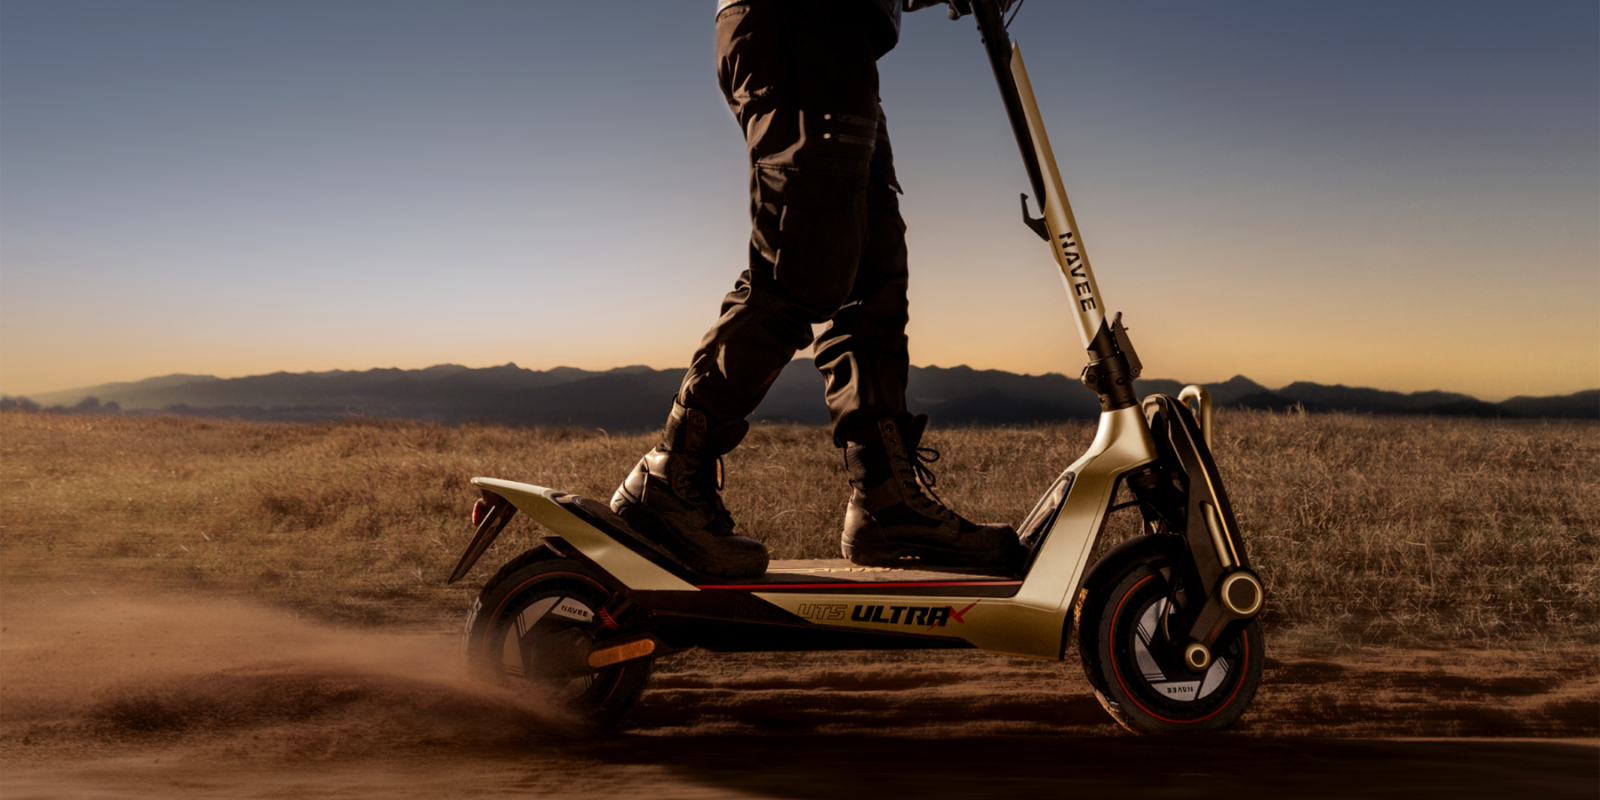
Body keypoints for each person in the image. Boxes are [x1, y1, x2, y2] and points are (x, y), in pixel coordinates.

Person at [611, 0, 1022, 578]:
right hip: (801, 20)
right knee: (803, 263)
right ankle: (669, 475)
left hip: (839, 33)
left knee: (872, 278)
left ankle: (885, 500)